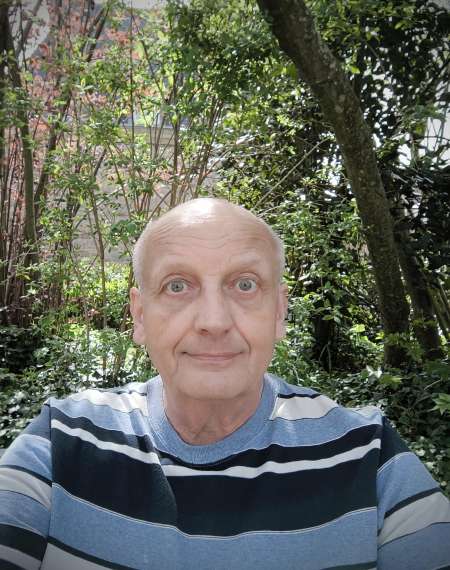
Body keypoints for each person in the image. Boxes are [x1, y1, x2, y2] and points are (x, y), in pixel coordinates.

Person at [0, 197, 449, 570]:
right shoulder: (60, 443)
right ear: (139, 315)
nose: (214, 322)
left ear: (279, 312)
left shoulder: (369, 456)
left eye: (245, 285)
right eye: (178, 286)